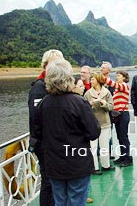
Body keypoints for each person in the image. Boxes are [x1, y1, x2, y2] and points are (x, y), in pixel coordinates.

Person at [33, 59, 101, 206]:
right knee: (76, 201)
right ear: (69, 78)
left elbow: (37, 133)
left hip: (54, 165)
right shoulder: (79, 102)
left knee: (59, 201)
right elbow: (94, 132)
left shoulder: (43, 104)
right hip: (77, 163)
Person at [28, 49, 64, 206]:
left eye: (59, 64)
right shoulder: (39, 88)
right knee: (49, 183)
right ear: (45, 66)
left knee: (57, 182)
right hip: (45, 145)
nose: (57, 67)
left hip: (56, 144)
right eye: (53, 63)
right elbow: (36, 118)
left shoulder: (54, 86)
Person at [84, 73, 115, 174]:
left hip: (105, 123)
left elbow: (111, 106)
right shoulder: (88, 94)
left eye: (93, 79)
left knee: (104, 145)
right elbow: (83, 108)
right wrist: (90, 104)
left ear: (98, 80)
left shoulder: (107, 93)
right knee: (93, 146)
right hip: (92, 123)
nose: (91, 81)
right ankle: (94, 167)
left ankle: (106, 165)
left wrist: (104, 103)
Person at [105, 70, 133, 167]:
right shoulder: (118, 89)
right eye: (116, 75)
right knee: (119, 136)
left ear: (124, 78)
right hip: (118, 115)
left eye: (119, 75)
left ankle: (128, 158)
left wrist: (104, 79)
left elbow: (114, 84)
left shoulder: (124, 85)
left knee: (123, 136)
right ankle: (123, 156)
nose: (117, 77)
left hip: (123, 114)